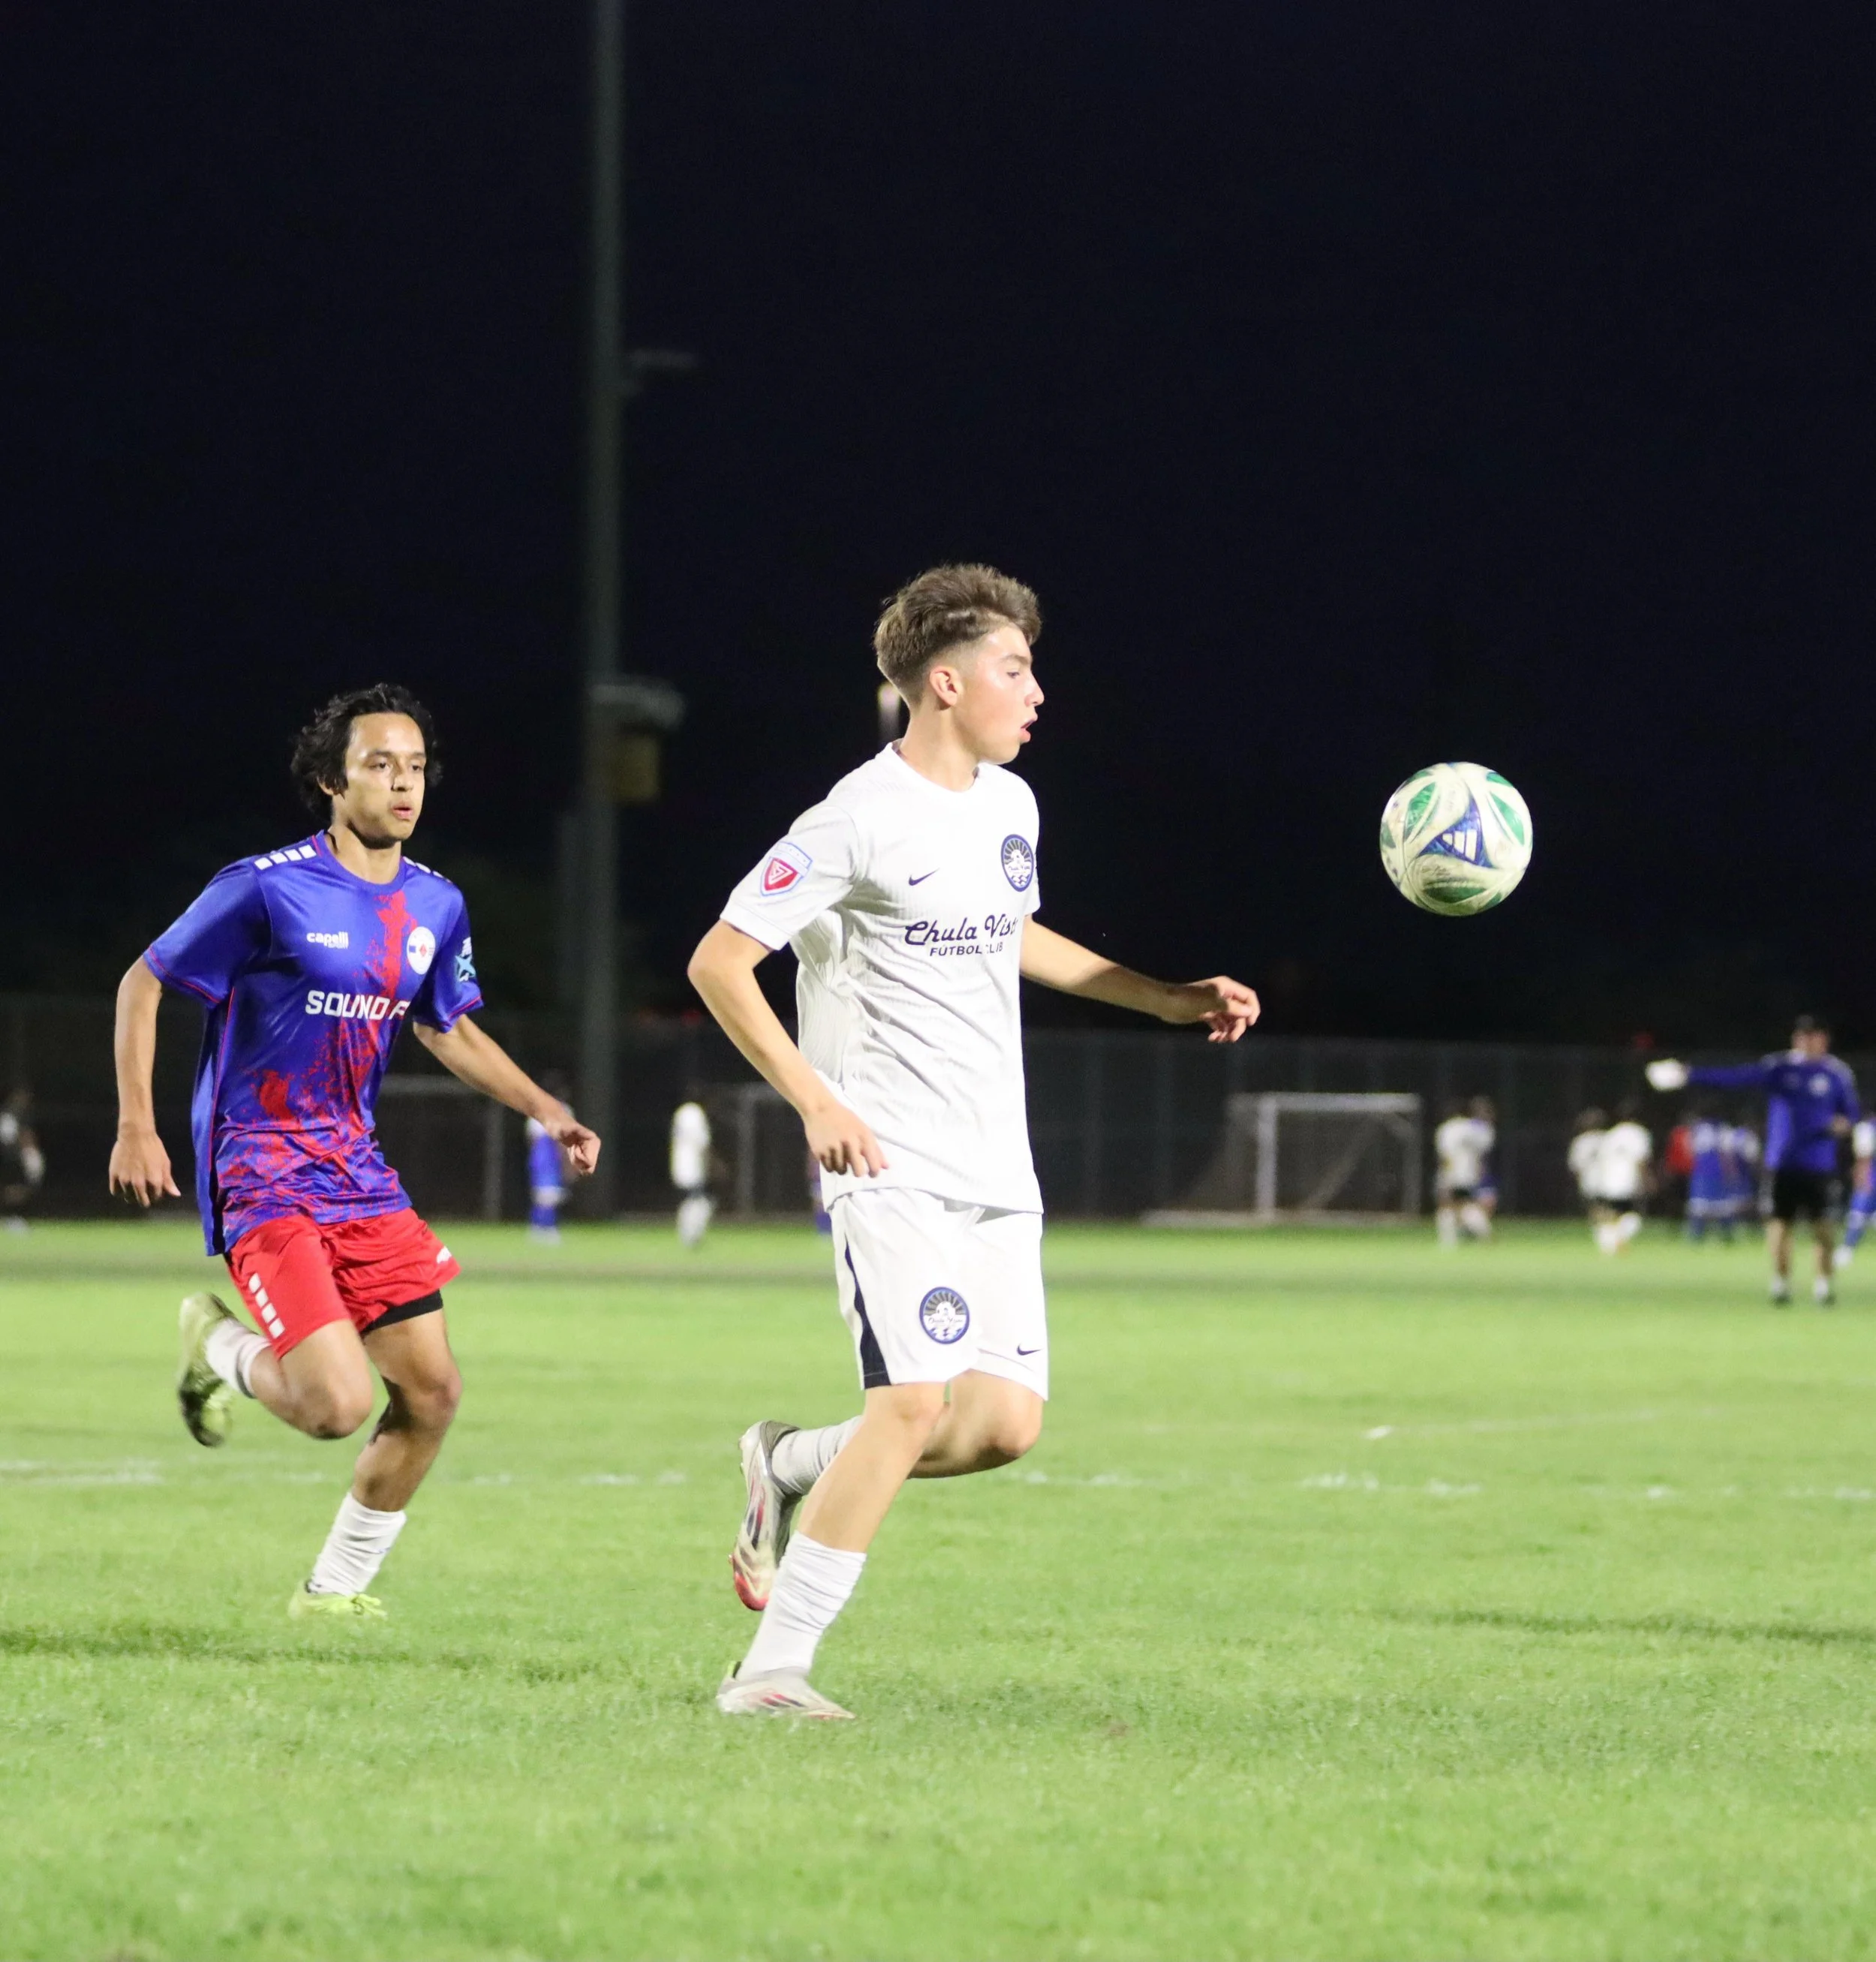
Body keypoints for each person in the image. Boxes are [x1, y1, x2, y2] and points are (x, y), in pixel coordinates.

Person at [686, 564, 1259, 1720]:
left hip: (1000, 1159)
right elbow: (719, 962)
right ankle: (771, 1673)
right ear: (942, 684)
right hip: (885, 1158)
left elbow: (1014, 935)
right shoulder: (853, 817)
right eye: (1015, 668)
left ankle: (789, 1460)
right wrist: (817, 1101)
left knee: (1000, 1426)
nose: (1037, 690)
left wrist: (1163, 996)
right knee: (908, 1406)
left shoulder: (1009, 807)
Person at [109, 685, 600, 1617]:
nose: (403, 783)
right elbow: (145, 983)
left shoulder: (435, 902)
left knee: (433, 1390)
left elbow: (445, 1027)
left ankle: (332, 1593)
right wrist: (138, 1123)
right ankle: (217, 1342)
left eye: (415, 766)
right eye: (380, 764)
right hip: (261, 1166)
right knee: (332, 1407)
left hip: (356, 1172)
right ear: (333, 780)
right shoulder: (265, 886)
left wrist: (545, 1107)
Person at [1649, 1016, 1856, 1304]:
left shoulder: (1836, 1074)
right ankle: (1781, 1285)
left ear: (1824, 1039)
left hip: (1819, 1165)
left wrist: (1840, 1124)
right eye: (1801, 1035)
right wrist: (1689, 1074)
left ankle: (1823, 1286)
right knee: (1779, 1226)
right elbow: (1738, 1078)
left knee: (1823, 1227)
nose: (1806, 1041)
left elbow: (1851, 1114)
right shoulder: (1781, 1067)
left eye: (1813, 1035)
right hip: (1782, 1163)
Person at [1433, 1097, 1496, 1245]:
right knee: (1465, 1204)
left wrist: (1445, 1176)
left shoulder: (1448, 1129)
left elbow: (1445, 1155)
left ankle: (1449, 1241)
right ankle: (1484, 1234)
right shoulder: (1477, 1129)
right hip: (1470, 1173)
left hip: (1453, 1171)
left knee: (1447, 1205)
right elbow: (1482, 1153)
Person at [1592, 1102, 1654, 1253]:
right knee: (1633, 1217)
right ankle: (1614, 1240)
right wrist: (1648, 1180)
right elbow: (1641, 1160)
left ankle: (1610, 1239)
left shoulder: (1611, 1134)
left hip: (1609, 1181)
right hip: (1629, 1181)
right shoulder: (1639, 1133)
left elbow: (1602, 1159)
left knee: (1613, 1215)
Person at [526, 1075, 574, 1244]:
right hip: (548, 1153)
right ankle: (544, 1227)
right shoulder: (562, 1110)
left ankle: (541, 1227)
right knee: (547, 1193)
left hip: (540, 1153)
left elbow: (530, 1137)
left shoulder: (536, 1110)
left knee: (550, 1193)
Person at [671, 1097, 714, 1248]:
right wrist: (713, 1165)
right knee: (699, 1202)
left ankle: (689, 1235)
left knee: (690, 1200)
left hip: (679, 1164)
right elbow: (703, 1143)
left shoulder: (682, 1112)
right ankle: (691, 1235)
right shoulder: (695, 1113)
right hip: (694, 1166)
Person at [0, 1088, 45, 1230]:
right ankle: (13, 1218)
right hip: (14, 1157)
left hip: (9, 1157)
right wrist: (31, 1152)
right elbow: (25, 1134)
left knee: (15, 1188)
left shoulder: (8, 1111)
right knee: (19, 1189)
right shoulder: (17, 1113)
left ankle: (13, 1218)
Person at [1835, 1119, 1875, 1269]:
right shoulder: (1868, 1128)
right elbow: (1864, 1159)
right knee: (1857, 1217)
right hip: (1872, 1182)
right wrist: (1863, 1179)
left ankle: (1847, 1250)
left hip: (1870, 1183)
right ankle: (1847, 1250)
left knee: (1857, 1217)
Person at [1568, 1108, 1608, 1243]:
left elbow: (1576, 1167)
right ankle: (1607, 1233)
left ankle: (1602, 1234)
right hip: (1607, 1179)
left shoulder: (1580, 1142)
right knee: (1606, 1208)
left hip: (1589, 1180)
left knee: (1594, 1208)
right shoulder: (1607, 1138)